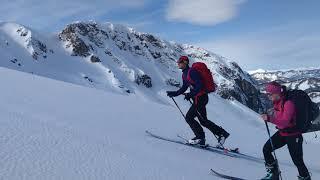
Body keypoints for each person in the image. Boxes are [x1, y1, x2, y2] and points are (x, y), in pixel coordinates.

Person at [166, 56, 230, 146]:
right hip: (198, 99)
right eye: (178, 61)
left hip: (200, 99)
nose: (178, 63)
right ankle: (222, 134)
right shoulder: (184, 74)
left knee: (189, 117)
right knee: (203, 121)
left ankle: (200, 138)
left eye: (180, 61)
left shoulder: (192, 72)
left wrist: (190, 94)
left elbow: (199, 85)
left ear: (185, 62)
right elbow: (184, 87)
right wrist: (174, 93)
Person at [261, 81, 311, 180]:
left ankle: (305, 178)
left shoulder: (288, 103)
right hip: (283, 133)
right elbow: (280, 116)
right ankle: (273, 175)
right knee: (266, 149)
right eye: (267, 94)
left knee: (297, 161)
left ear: (276, 93)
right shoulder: (277, 102)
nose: (268, 96)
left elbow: (284, 122)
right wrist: (270, 114)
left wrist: (269, 119)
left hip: (294, 135)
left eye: (270, 94)